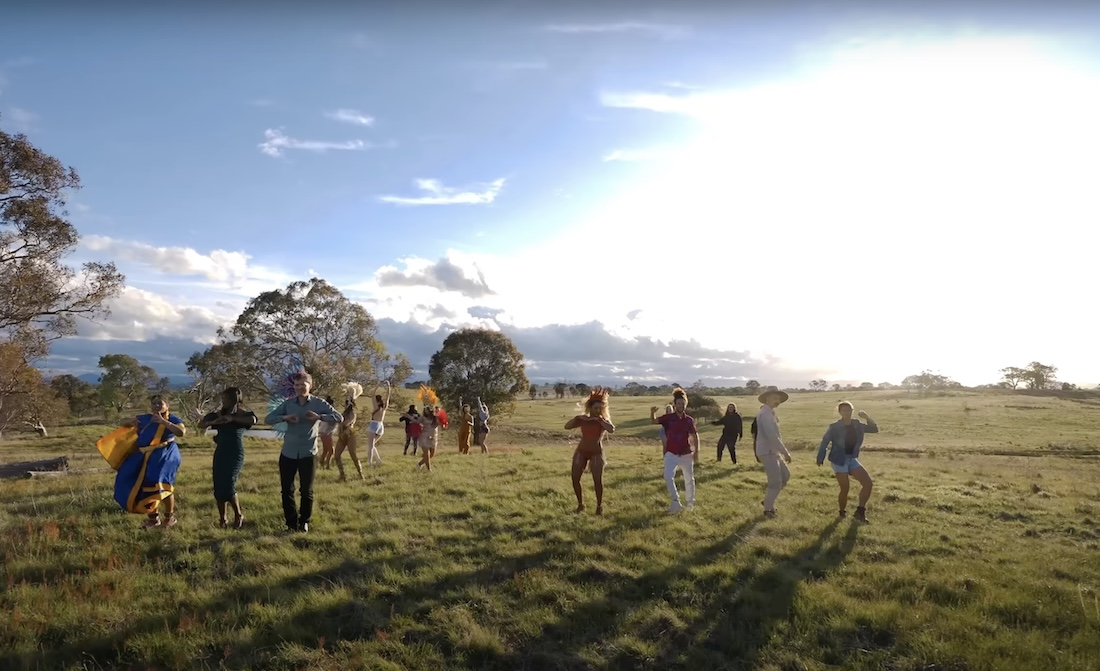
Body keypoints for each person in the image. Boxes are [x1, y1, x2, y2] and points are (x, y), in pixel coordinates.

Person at [265, 371, 342, 533]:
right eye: (297, 385)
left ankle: (304, 521)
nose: (299, 388)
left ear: (310, 386)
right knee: (287, 490)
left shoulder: (318, 403)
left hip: (308, 453)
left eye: (303, 385)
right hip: (288, 453)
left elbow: (338, 417)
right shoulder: (288, 404)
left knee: (306, 491)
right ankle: (291, 524)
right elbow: (268, 419)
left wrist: (319, 416)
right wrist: (285, 418)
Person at [113, 395, 187, 529]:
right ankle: (153, 519)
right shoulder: (145, 418)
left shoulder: (172, 418)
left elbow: (181, 432)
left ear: (167, 405)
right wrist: (130, 423)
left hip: (166, 455)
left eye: (160, 403)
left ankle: (170, 517)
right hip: (146, 456)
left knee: (162, 485)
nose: (157, 406)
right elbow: (123, 422)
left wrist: (164, 422)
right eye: (154, 404)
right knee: (146, 485)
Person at [198, 387, 257, 529]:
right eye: (223, 398)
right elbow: (201, 424)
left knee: (229, 483)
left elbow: (253, 420)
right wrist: (214, 422)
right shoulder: (218, 414)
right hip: (221, 452)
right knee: (218, 485)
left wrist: (232, 419)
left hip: (235, 453)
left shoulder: (243, 415)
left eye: (227, 399)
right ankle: (223, 518)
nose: (224, 401)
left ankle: (238, 514)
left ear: (235, 400)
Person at [817, 401, 879, 522]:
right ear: (839, 412)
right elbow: (825, 442)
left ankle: (860, 512)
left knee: (868, 483)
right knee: (845, 488)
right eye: (844, 410)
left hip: (852, 458)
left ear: (852, 411)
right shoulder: (834, 427)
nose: (847, 412)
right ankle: (842, 512)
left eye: (849, 410)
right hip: (838, 460)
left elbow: (874, 429)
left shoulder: (857, 424)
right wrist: (820, 457)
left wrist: (867, 417)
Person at [565, 387, 615, 515]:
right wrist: (577, 418)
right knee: (575, 478)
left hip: (596, 453)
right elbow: (567, 426)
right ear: (590, 407)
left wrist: (600, 420)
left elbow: (611, 429)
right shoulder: (584, 419)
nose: (598, 411)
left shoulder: (602, 420)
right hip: (581, 451)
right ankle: (580, 505)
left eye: (600, 408)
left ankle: (599, 506)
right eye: (595, 408)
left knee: (597, 480)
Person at [650, 388, 699, 512]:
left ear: (685, 404)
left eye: (683, 404)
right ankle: (675, 502)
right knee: (667, 476)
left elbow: (694, 435)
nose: (681, 406)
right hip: (671, 452)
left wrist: (697, 451)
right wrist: (652, 412)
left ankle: (690, 504)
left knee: (689, 478)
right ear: (675, 404)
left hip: (686, 453)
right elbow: (654, 421)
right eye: (678, 403)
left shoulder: (689, 420)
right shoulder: (668, 418)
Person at [755, 385, 792, 518]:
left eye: (779, 399)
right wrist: (785, 452)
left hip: (773, 451)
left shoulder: (770, 412)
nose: (777, 401)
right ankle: (768, 510)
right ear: (767, 398)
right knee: (775, 482)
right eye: (775, 398)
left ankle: (768, 500)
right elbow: (772, 436)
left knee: (786, 475)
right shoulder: (765, 414)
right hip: (768, 451)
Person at [334, 382, 363, 481]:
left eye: (348, 400)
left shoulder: (353, 412)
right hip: (342, 435)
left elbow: (346, 422)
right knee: (337, 456)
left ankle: (360, 475)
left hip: (350, 435)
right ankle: (342, 476)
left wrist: (340, 423)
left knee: (353, 455)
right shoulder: (344, 412)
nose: (346, 401)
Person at [365, 382, 392, 467]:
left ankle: (370, 463)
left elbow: (372, 394)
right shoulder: (384, 408)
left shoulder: (376, 407)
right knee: (372, 445)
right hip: (381, 426)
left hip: (374, 425)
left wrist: (377, 385)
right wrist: (388, 387)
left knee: (370, 446)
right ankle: (378, 460)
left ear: (376, 401)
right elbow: (388, 397)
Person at [416, 405, 442, 471]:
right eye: (425, 410)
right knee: (427, 454)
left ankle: (419, 464)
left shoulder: (435, 418)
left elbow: (441, 422)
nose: (425, 411)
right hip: (425, 436)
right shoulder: (423, 418)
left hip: (434, 437)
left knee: (432, 454)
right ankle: (429, 469)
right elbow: (416, 421)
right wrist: (408, 416)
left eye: (427, 410)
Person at [318, 395, 338, 469]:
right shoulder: (329, 414)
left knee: (326, 450)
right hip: (326, 432)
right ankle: (327, 465)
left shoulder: (324, 413)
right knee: (331, 450)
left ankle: (322, 463)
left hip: (323, 432)